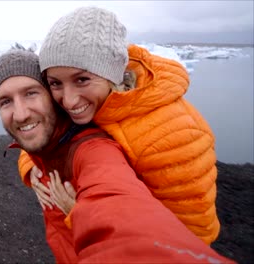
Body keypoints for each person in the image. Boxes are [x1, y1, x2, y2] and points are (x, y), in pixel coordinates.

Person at [0, 48, 233, 263]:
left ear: (53, 100)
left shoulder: (93, 148)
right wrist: (30, 165)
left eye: (31, 93)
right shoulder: (47, 142)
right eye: (5, 101)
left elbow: (118, 207)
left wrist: (81, 214)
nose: (20, 114)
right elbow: (37, 142)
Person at [18, 6, 220, 245]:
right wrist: (31, 165)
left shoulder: (175, 135)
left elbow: (189, 240)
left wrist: (85, 215)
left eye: (82, 79)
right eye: (55, 83)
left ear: (112, 74)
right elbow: (50, 129)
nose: (68, 100)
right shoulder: (89, 103)